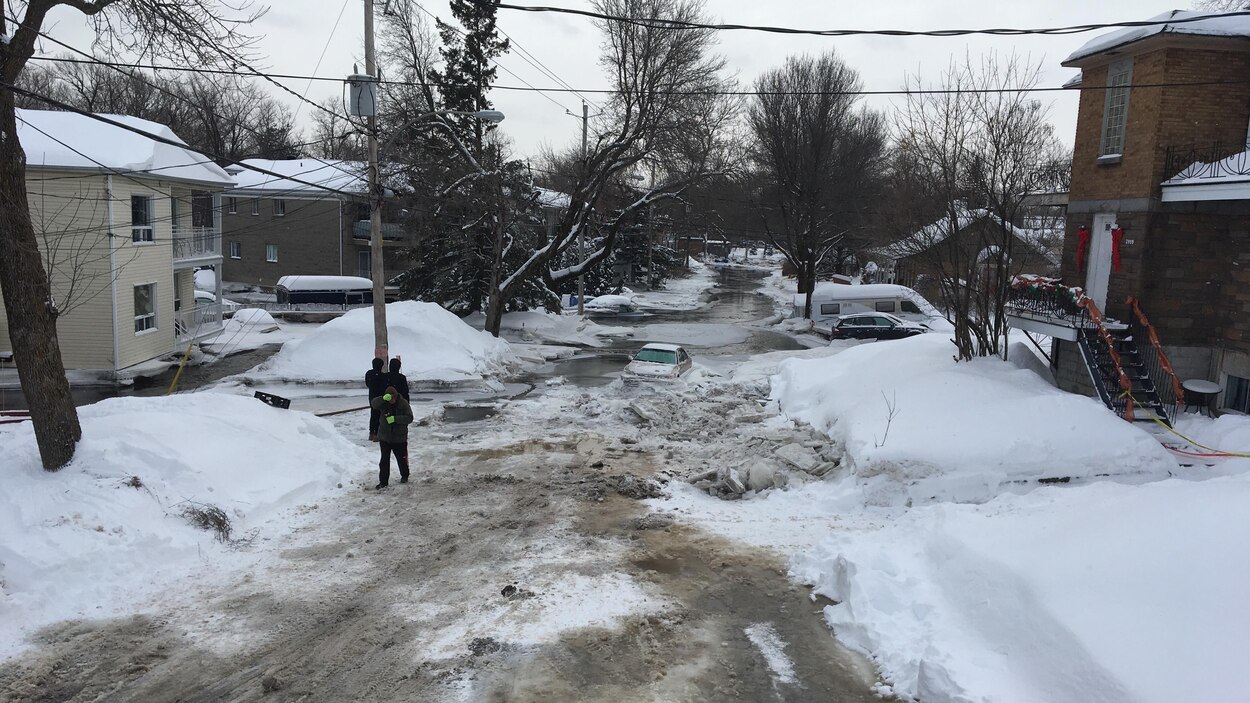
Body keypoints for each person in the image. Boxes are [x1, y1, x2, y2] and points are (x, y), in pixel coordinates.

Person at [370, 385, 413, 489]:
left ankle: (404, 475)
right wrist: (382, 399)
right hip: (385, 437)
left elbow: (410, 418)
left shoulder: (403, 403)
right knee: (384, 460)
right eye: (388, 399)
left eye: (392, 399)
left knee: (401, 459)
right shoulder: (383, 403)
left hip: (399, 437)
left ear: (396, 396)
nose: (391, 401)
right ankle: (383, 482)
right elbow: (373, 404)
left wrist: (395, 419)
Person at [365, 357, 386, 442]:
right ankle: (377, 433)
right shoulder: (382, 376)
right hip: (380, 397)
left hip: (372, 396)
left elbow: (367, 384)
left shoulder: (369, 374)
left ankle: (371, 433)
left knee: (373, 414)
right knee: (379, 415)